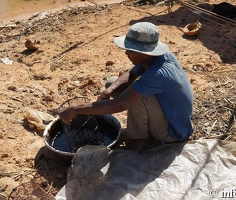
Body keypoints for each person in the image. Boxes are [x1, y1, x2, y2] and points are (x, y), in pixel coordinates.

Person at [58, 22, 193, 151]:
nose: (126, 53)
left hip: (173, 132)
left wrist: (74, 109)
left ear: (146, 53)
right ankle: (141, 127)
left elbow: (119, 105)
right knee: (112, 82)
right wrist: (108, 91)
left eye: (131, 51)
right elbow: (131, 73)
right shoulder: (155, 57)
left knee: (137, 97)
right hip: (170, 114)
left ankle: (141, 140)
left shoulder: (158, 73)